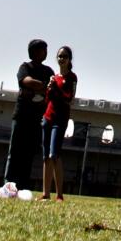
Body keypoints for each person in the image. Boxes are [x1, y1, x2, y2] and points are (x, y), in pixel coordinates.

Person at [2, 39, 54, 192]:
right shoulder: (25, 67)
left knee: (29, 153)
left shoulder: (49, 71)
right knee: (15, 151)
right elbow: (26, 80)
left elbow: (51, 89)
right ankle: (8, 184)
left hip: (37, 118)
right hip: (21, 115)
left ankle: (23, 185)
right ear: (35, 51)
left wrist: (34, 89)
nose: (45, 53)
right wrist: (41, 87)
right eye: (43, 49)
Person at [39, 44, 77, 201]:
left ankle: (59, 194)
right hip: (48, 118)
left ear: (69, 60)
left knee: (55, 154)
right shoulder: (54, 77)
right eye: (59, 56)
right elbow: (48, 99)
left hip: (60, 120)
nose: (62, 59)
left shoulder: (71, 77)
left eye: (65, 56)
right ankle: (45, 193)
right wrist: (49, 88)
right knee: (45, 157)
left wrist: (56, 88)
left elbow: (69, 98)